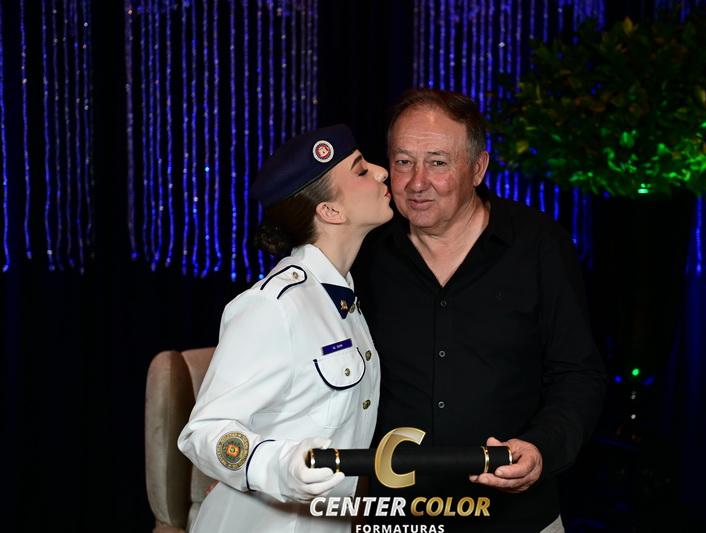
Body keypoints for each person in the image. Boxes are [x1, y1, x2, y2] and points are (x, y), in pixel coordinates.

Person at [353, 89, 607, 532]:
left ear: (478, 168)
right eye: (403, 162)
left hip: (516, 519)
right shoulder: (364, 250)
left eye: (437, 162)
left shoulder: (537, 245)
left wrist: (541, 449)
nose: (416, 182)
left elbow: (578, 373)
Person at [178, 124, 393, 533]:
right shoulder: (273, 306)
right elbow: (204, 433)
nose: (382, 172)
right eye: (361, 170)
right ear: (330, 211)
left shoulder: (342, 300)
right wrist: (278, 466)